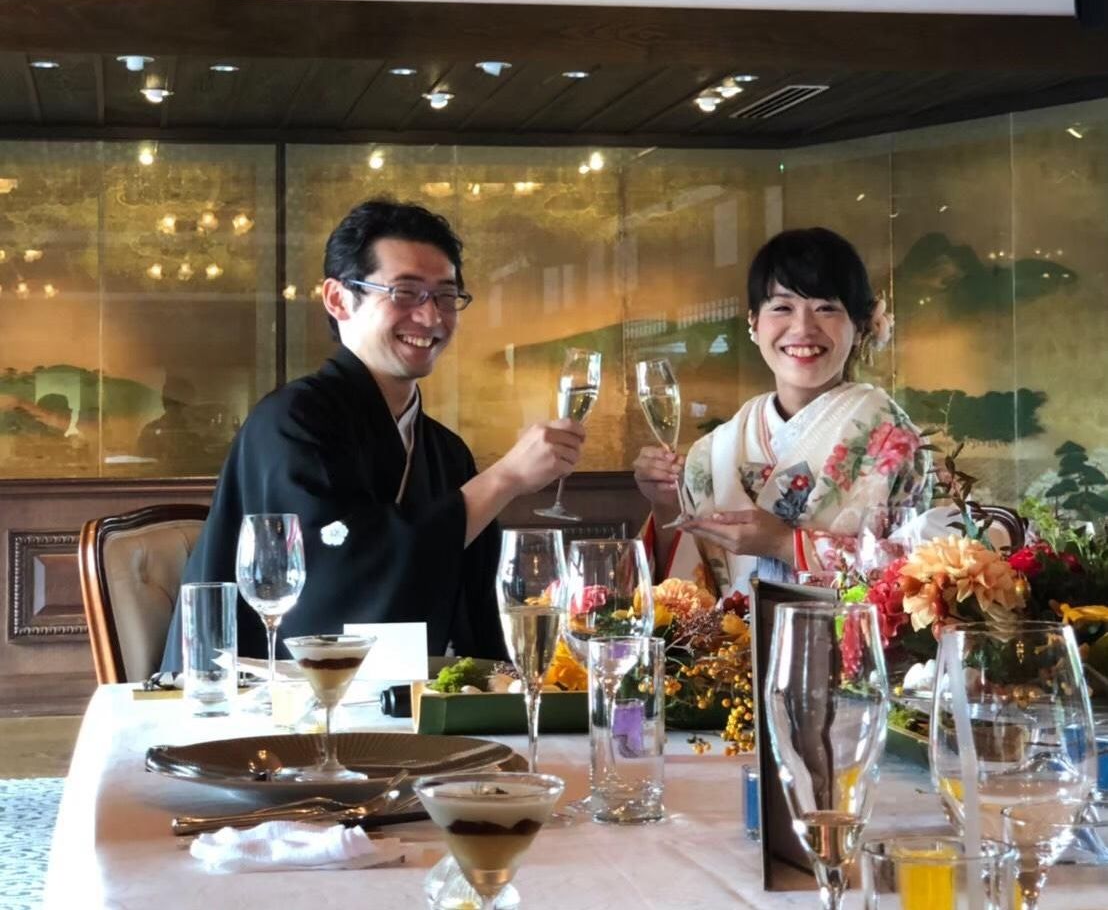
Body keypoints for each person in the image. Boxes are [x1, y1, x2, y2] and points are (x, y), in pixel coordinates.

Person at [161, 198, 584, 670]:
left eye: (446, 297)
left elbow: (478, 602)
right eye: (405, 293)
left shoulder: (444, 451)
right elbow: (337, 579)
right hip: (267, 695)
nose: (431, 317)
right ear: (338, 299)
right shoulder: (290, 423)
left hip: (417, 698)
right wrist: (505, 479)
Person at [634, 227, 930, 597]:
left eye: (826, 308)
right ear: (754, 324)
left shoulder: (893, 440)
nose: (803, 328)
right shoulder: (711, 454)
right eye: (782, 307)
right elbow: (683, 595)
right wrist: (665, 506)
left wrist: (784, 545)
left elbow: (920, 579)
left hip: (852, 635)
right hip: (734, 636)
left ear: (858, 327)